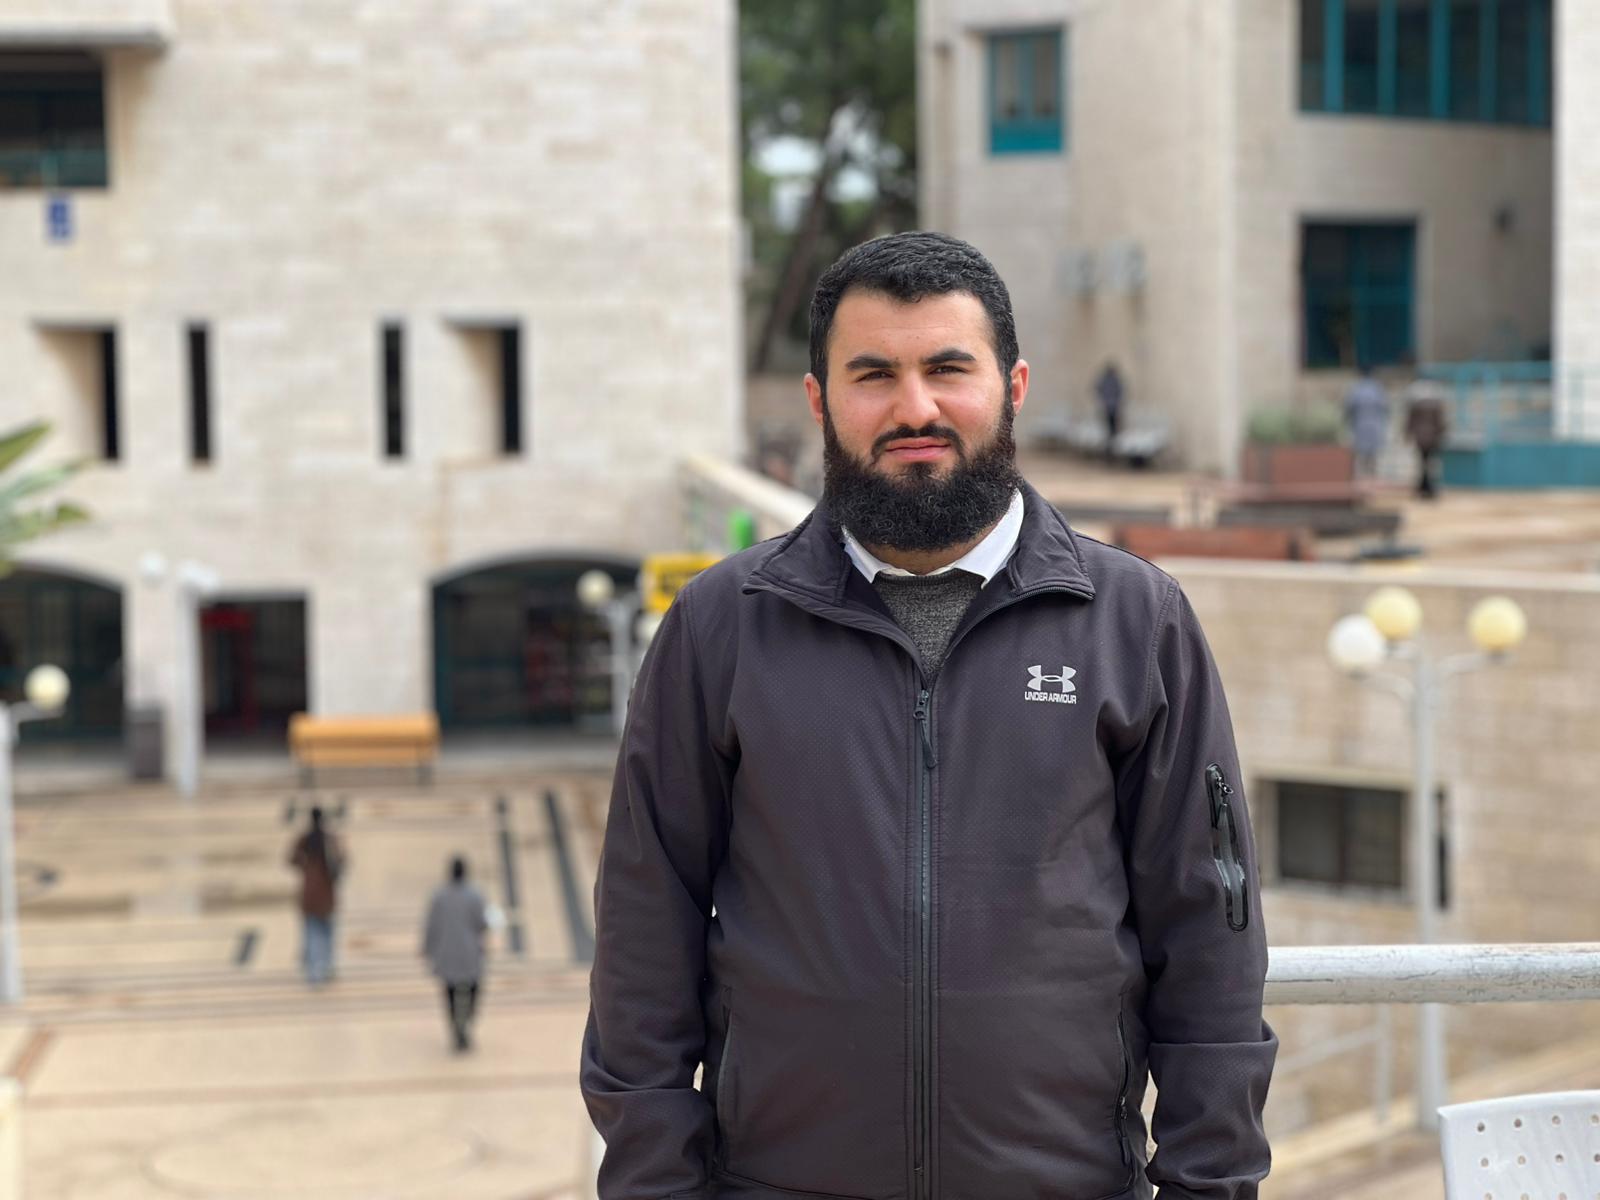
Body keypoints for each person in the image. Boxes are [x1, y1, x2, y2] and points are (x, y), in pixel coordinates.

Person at [582, 232, 1275, 1199]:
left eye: (949, 369)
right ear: (820, 401)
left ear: (1013, 385)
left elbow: (1209, 937)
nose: (916, 409)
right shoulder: (719, 628)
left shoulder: (1134, 622)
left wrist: (1211, 1184)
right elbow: (642, 936)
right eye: (874, 375)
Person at [422, 855, 489, 1052]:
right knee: (473, 988)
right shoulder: (475, 896)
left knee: (450, 992)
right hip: (469, 952)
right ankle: (466, 1021)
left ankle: (456, 1026)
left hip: (447, 952)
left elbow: (431, 925)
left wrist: (427, 948)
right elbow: (482, 924)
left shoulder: (439, 897)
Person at [287, 806, 343, 986]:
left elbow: (291, 859)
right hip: (326, 894)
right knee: (326, 932)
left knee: (312, 933)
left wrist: (305, 865)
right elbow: (342, 862)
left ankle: (314, 972)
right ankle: (325, 966)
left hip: (310, 894)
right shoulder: (329, 840)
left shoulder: (306, 839)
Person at [1404, 377, 1450, 499]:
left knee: (1423, 463)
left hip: (1420, 437)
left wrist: (1407, 434)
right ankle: (1428, 488)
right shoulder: (1436, 405)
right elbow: (1441, 422)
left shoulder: (1415, 405)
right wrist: (1443, 433)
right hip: (1433, 437)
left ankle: (1423, 487)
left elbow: (1410, 422)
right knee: (1430, 463)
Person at [1344, 363, 1391, 479]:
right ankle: (1373, 476)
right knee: (1373, 454)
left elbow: (1349, 408)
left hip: (1360, 424)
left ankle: (1362, 477)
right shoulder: (1377, 388)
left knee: (1360, 454)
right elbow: (1386, 407)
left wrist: (1348, 421)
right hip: (1375, 424)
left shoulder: (1356, 389)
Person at [1096, 359, 1125, 460]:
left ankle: (1111, 452)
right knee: (1111, 432)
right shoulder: (1111, 380)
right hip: (1111, 408)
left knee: (1111, 432)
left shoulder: (1109, 380)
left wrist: (1105, 400)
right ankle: (1110, 452)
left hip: (1110, 408)